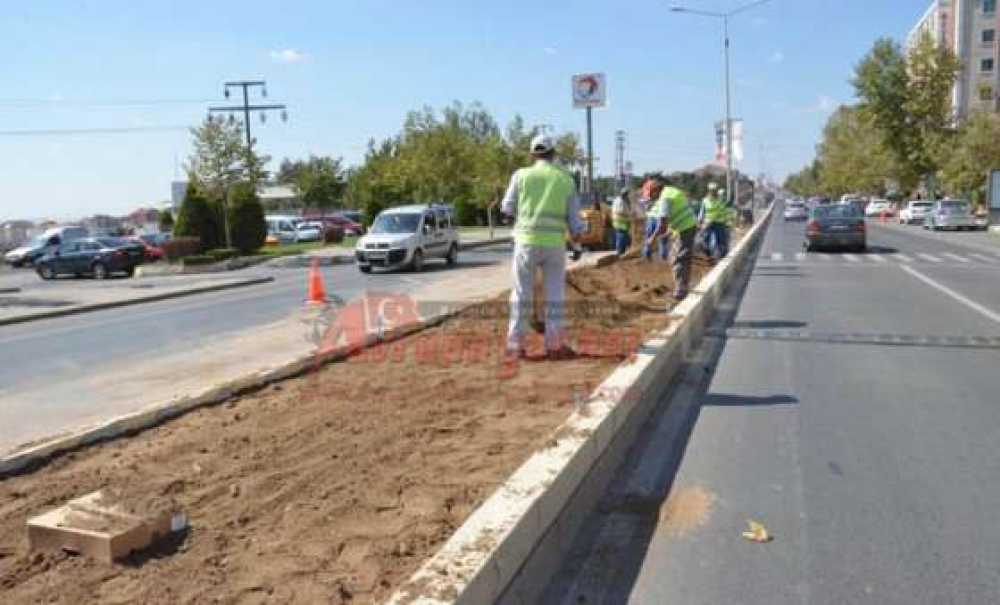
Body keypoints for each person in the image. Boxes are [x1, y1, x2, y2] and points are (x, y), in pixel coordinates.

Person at [501, 134, 584, 359]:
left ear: (533, 154)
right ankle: (555, 346)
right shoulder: (565, 179)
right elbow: (575, 221)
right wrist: (576, 245)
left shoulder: (521, 176)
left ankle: (515, 345)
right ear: (553, 154)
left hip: (525, 242)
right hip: (554, 245)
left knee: (520, 293)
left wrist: (515, 222)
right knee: (555, 294)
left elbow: (506, 209)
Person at [646, 176, 699, 301]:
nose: (651, 198)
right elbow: (674, 216)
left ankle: (681, 290)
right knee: (677, 257)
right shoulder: (670, 191)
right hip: (684, 227)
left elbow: (662, 224)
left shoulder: (665, 198)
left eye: (651, 195)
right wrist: (670, 231)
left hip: (685, 228)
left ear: (655, 190)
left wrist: (652, 239)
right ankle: (682, 286)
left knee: (679, 259)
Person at [698, 182, 730, 260]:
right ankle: (707, 254)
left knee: (720, 240)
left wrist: (726, 221)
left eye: (714, 190)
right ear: (709, 191)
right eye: (711, 190)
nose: (713, 192)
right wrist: (700, 221)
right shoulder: (705, 200)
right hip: (708, 223)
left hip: (719, 222)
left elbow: (722, 211)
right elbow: (702, 211)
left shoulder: (719, 200)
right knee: (705, 238)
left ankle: (720, 256)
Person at [641, 178, 669, 261]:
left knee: (651, 238)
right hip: (658, 218)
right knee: (662, 239)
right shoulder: (664, 196)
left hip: (654, 218)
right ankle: (662, 258)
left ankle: (647, 256)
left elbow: (645, 205)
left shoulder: (652, 194)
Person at [611, 186, 635, 254]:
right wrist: (630, 215)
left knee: (625, 238)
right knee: (621, 238)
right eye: (627, 194)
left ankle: (623, 251)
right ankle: (620, 252)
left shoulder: (622, 200)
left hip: (623, 223)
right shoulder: (620, 201)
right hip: (620, 223)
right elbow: (621, 212)